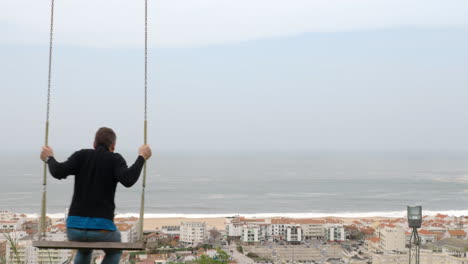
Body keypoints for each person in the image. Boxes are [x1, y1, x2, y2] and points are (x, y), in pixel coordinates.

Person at [40, 127, 152, 264]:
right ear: (113, 146)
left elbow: (57, 171)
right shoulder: (115, 159)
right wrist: (142, 157)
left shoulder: (81, 155)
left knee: (84, 249)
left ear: (94, 144)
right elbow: (128, 180)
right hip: (102, 229)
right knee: (115, 250)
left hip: (74, 229)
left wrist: (49, 157)